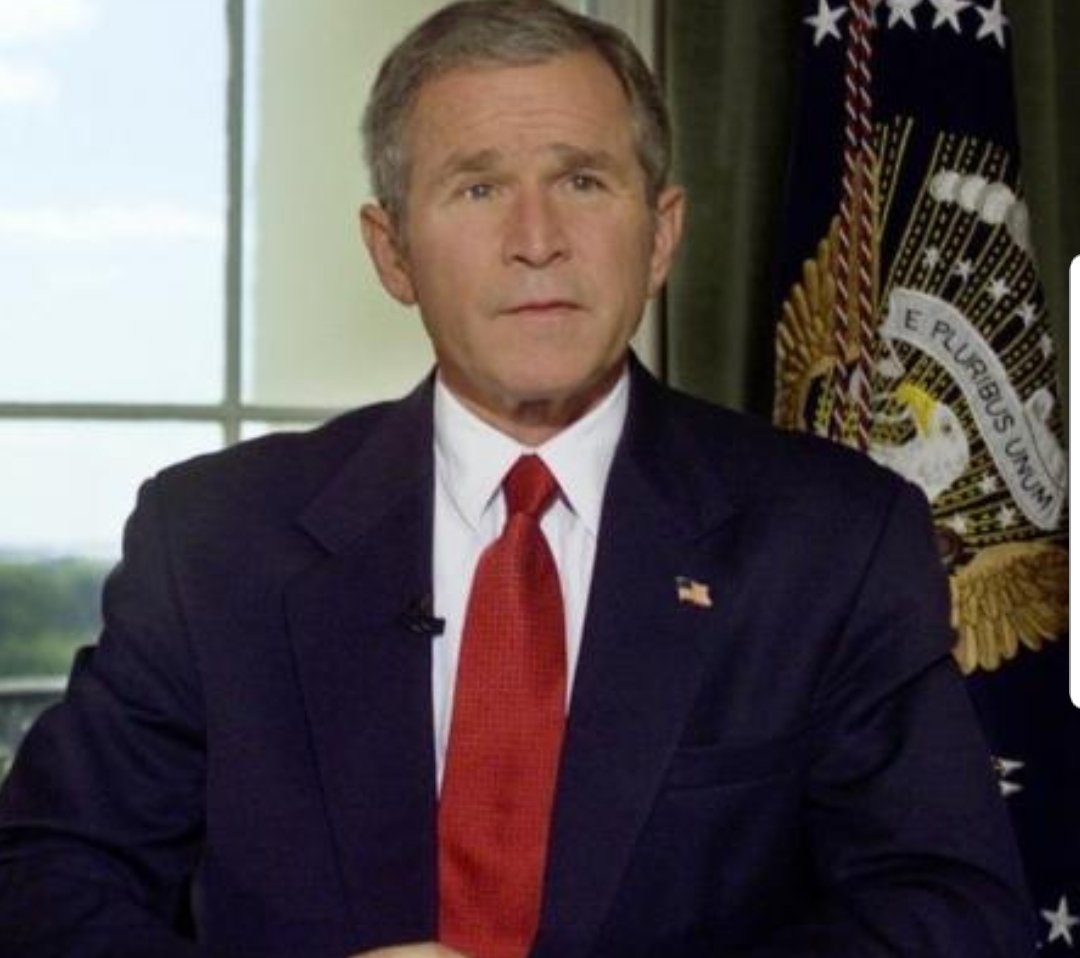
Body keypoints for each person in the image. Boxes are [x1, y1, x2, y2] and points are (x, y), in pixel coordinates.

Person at [0, 1, 1034, 956]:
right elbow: (43, 879)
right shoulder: (214, 539)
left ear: (661, 234)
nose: (537, 242)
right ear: (392, 252)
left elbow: (949, 913)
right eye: (478, 187)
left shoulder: (835, 540)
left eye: (582, 181)